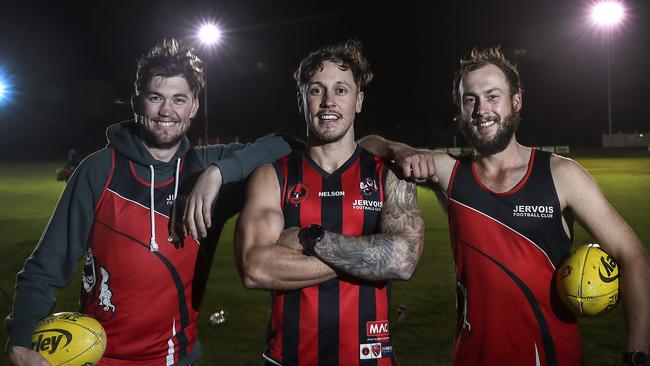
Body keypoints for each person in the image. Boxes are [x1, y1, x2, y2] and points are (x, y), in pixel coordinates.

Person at [5, 38, 293, 366]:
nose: (167, 111)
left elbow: (287, 144)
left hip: (176, 359)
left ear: (194, 106)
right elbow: (46, 266)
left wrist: (217, 173)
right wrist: (21, 337)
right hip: (97, 358)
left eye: (179, 99)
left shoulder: (208, 168)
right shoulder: (99, 170)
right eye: (156, 98)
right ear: (137, 103)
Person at [359, 47, 650, 365]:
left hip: (551, 355)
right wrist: (399, 150)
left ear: (516, 101)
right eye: (470, 99)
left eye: (492, 96)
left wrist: (637, 354)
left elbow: (632, 254)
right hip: (472, 357)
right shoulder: (449, 171)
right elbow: (367, 145)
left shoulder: (561, 175)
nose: (481, 109)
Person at [235, 39, 423, 366]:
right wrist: (370, 256)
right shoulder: (272, 176)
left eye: (341, 90)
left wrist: (311, 239)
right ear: (301, 99)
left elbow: (403, 260)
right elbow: (255, 268)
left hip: (369, 360)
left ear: (359, 100)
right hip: (289, 359)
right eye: (316, 90)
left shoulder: (390, 175)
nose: (328, 102)